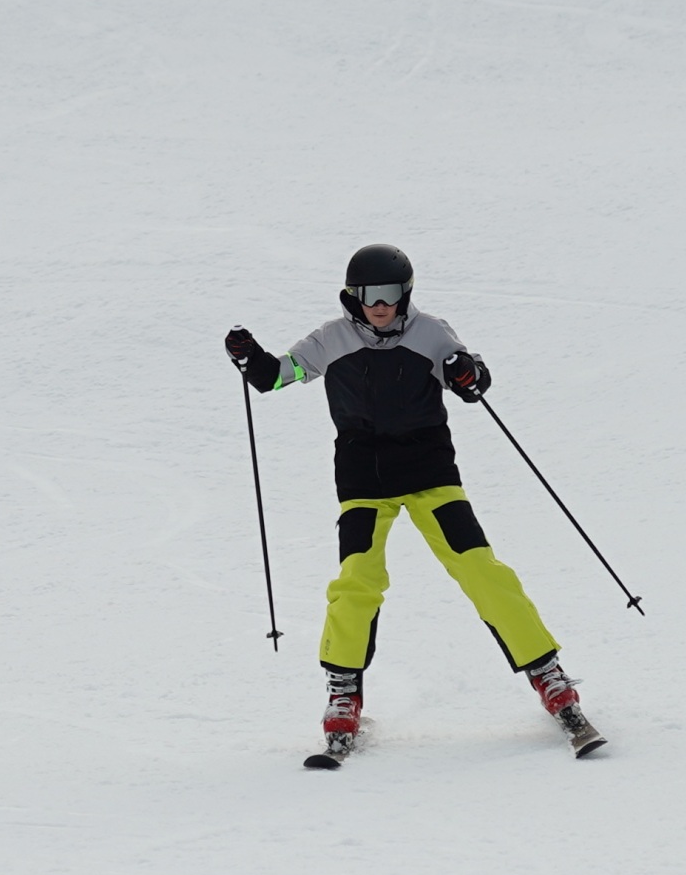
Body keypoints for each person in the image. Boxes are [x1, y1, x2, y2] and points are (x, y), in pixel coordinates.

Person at [225, 243, 605, 762]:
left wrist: (466, 372)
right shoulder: (330, 339)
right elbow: (275, 376)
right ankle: (344, 694)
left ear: (405, 294)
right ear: (352, 297)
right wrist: (249, 358)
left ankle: (549, 677)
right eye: (368, 295)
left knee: (481, 569)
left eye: (389, 294)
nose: (379, 306)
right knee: (356, 581)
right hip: (363, 478)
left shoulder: (430, 332)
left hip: (430, 473)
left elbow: (472, 382)